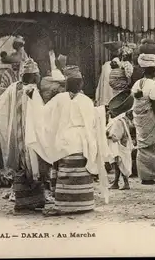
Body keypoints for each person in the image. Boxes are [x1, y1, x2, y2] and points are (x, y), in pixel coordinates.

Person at [43, 65, 109, 216]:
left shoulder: (58, 99)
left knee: (64, 170)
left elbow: (44, 116)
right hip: (81, 141)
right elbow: (93, 121)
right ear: (80, 84)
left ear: (66, 84)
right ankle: (83, 204)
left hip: (63, 141)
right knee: (81, 171)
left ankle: (65, 205)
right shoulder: (86, 100)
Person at [0, 58, 54, 211]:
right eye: (37, 75)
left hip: (17, 137)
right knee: (34, 165)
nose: (39, 78)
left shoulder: (14, 87)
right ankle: (33, 200)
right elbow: (40, 118)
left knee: (21, 167)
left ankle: (22, 200)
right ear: (33, 76)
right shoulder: (32, 91)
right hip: (30, 137)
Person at [131, 53, 155, 184]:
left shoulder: (137, 84)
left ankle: (145, 177)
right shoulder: (154, 85)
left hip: (139, 120)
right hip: (151, 119)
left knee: (143, 148)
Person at [106, 109, 134, 190]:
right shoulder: (122, 120)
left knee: (121, 164)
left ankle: (125, 183)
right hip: (120, 146)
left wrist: (108, 135)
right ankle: (116, 183)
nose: (110, 112)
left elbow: (116, 137)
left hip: (120, 146)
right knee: (117, 164)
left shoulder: (118, 122)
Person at [96, 41, 122, 106]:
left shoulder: (105, 65)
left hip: (106, 98)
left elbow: (101, 84)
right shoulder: (122, 65)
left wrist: (98, 97)